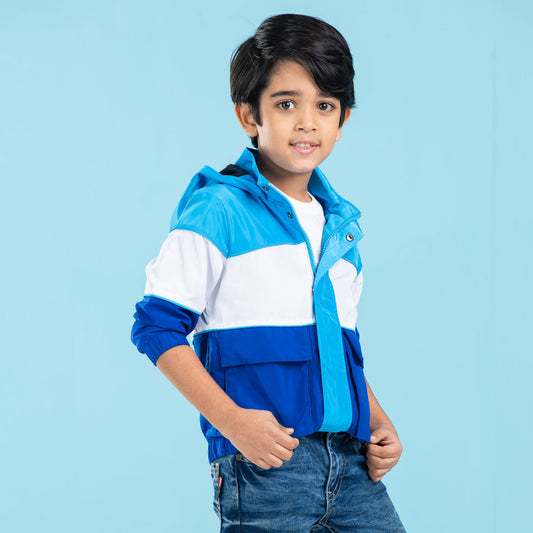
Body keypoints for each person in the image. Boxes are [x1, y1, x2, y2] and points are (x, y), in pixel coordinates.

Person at [131, 13, 406, 532]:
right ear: (248, 115)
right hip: (266, 467)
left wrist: (376, 419)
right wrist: (232, 422)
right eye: (286, 104)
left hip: (352, 463)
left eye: (324, 106)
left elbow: (337, 349)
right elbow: (155, 327)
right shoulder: (218, 212)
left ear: (343, 119)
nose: (307, 122)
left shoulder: (342, 232)